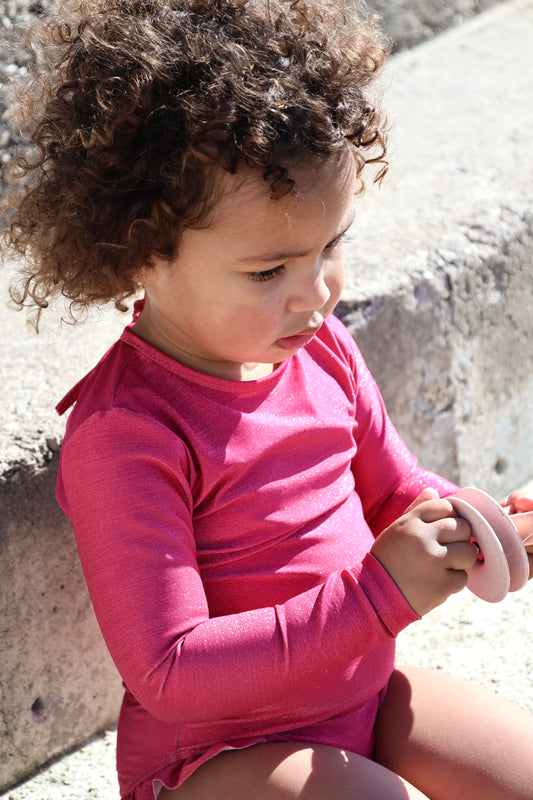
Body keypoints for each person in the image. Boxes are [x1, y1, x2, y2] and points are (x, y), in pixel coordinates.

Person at [2, 1, 533, 798]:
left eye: (332, 245)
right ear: (141, 251)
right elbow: (169, 669)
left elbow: (394, 492)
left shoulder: (319, 347)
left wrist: (479, 527)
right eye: (267, 272)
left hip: (359, 697)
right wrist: (375, 596)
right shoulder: (128, 432)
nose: (314, 293)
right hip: (218, 760)